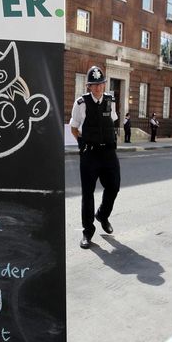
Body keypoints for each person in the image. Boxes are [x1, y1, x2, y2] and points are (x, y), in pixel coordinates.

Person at [70, 65, 120, 249]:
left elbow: (111, 121)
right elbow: (74, 128)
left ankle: (102, 215)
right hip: (90, 153)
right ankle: (87, 231)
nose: (98, 88)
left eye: (101, 84)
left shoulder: (110, 100)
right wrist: (82, 144)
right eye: (94, 85)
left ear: (104, 85)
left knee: (114, 186)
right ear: (88, 86)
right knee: (88, 194)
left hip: (108, 152)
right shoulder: (81, 103)